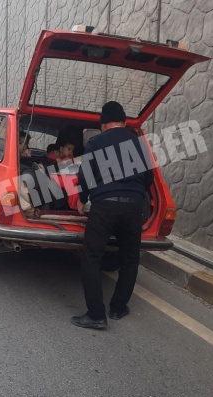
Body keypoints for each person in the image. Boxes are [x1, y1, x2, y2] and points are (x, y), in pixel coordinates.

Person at [71, 101, 153, 330]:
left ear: (103, 124)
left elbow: (86, 175)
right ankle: (118, 308)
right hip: (133, 206)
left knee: (92, 258)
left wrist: (81, 199)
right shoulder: (138, 143)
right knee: (129, 258)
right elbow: (149, 179)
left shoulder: (96, 142)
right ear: (125, 122)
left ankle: (96, 315)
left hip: (104, 205)